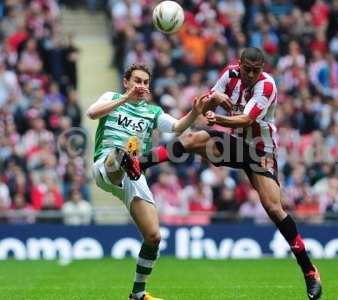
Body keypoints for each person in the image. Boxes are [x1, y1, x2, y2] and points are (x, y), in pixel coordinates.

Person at [129, 48, 322, 299]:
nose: (251, 75)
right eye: (247, 69)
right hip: (234, 144)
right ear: (239, 64)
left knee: (274, 209)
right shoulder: (229, 75)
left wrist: (216, 118)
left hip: (260, 151)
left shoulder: (267, 86)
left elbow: (244, 120)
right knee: (192, 139)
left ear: (262, 68)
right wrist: (213, 98)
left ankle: (309, 271)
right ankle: (140, 163)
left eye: (257, 70)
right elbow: (205, 101)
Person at [87, 63, 206, 300]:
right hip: (105, 165)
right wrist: (124, 99)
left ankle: (138, 293)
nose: (141, 86)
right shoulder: (111, 97)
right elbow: (92, 113)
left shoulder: (152, 112)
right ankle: (122, 160)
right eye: (137, 81)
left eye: (144, 82)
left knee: (154, 236)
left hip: (134, 173)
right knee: (119, 153)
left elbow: (177, 127)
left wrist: (195, 112)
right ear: (126, 82)